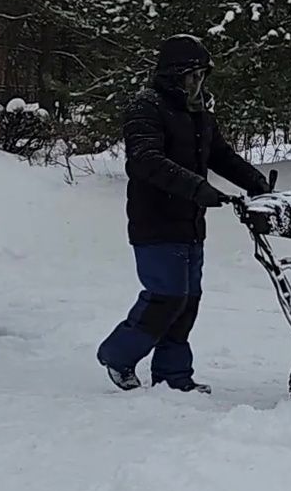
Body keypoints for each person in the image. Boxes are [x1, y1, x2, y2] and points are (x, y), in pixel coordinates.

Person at [96, 34, 270, 392]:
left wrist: (255, 182)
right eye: (193, 75)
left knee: (188, 301)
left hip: (190, 223)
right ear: (174, 74)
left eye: (202, 76)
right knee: (167, 297)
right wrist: (197, 188)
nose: (198, 83)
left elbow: (220, 155)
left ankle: (173, 377)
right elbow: (146, 161)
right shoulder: (147, 107)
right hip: (155, 220)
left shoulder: (199, 113)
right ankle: (118, 354)